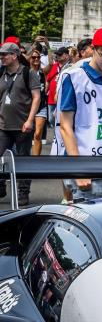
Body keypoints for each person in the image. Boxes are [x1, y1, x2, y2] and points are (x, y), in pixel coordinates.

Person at [59, 27, 102, 199]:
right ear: (93, 49)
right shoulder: (74, 77)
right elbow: (65, 126)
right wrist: (78, 169)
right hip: (86, 166)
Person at [0, 42, 40, 205]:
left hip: (23, 125)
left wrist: (30, 120)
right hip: (3, 125)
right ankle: (1, 185)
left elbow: (36, 97)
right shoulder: (1, 73)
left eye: (4, 54)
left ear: (14, 56)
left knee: (24, 161)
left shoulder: (28, 73)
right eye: (1, 54)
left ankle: (23, 192)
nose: (2, 57)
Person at [26, 46, 48, 159]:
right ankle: (24, 157)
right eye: (33, 57)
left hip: (41, 106)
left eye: (38, 57)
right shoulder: (25, 72)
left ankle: (36, 160)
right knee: (25, 135)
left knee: (38, 134)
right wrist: (34, 45)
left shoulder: (43, 71)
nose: (36, 59)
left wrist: (47, 45)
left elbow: (51, 63)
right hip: (27, 107)